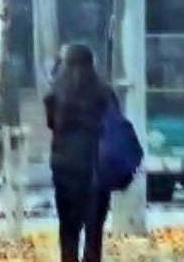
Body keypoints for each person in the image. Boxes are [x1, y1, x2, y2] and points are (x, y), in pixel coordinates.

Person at [43, 42, 113, 262]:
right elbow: (116, 126)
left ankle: (69, 258)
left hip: (64, 165)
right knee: (94, 227)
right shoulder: (104, 92)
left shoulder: (54, 94)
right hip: (97, 166)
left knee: (68, 225)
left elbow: (51, 124)